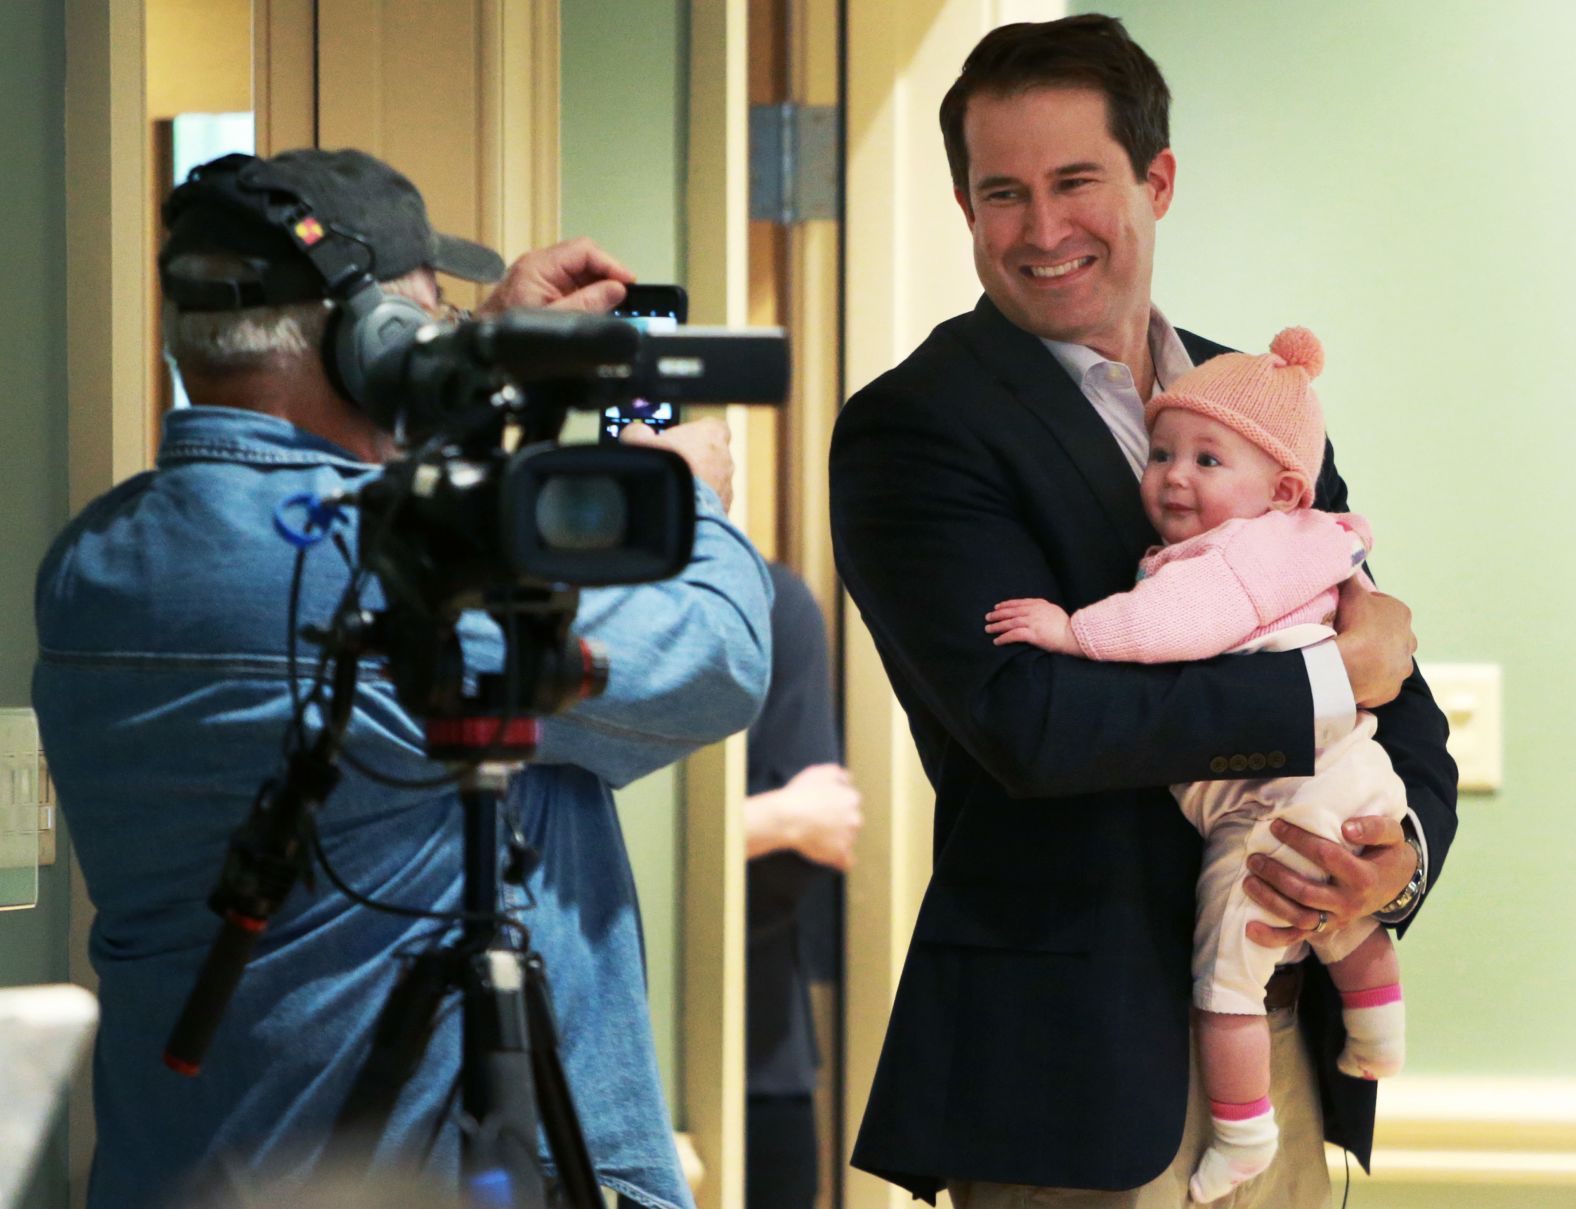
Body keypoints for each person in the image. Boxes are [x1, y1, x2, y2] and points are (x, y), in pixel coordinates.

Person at [33, 148, 772, 1209]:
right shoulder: (380, 578)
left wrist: (478, 360)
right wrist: (676, 499)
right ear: (372, 344)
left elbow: (345, 487)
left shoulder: (94, 565)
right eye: (423, 323)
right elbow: (717, 656)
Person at [828, 16, 1456, 1209]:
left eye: (1075, 182)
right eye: (1000, 193)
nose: (1041, 229)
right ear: (965, 207)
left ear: (1155, 180)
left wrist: (1397, 857)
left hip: (1285, 1036)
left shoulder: (1254, 402)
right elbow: (1033, 721)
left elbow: (1389, 671)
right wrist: (1327, 685)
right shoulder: (915, 426)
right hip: (1071, 1070)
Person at [984, 327, 1407, 1203]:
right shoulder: (1316, 538)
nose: (1175, 476)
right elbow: (1368, 650)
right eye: (1163, 452)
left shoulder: (1226, 559)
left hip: (1271, 800)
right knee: (1340, 918)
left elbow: (1167, 628)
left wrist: (1074, 631)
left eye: (1206, 460)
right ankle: (1378, 1031)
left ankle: (1243, 1131)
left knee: (1227, 976)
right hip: (1355, 772)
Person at [743, 563, 862, 1209]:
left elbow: (814, 845)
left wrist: (775, 827)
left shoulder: (769, 600)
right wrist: (771, 817)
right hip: (569, 1048)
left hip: (759, 1047)